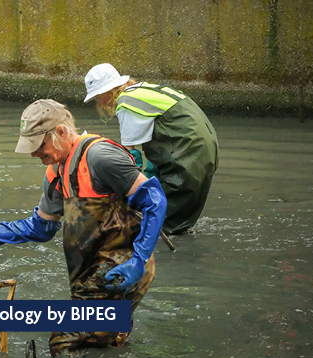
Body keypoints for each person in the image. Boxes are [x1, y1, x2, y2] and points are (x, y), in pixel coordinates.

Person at [0, 99, 166, 354]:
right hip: (89, 275)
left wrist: (138, 261)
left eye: (39, 145)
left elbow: (155, 200)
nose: (34, 153)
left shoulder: (99, 156)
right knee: (101, 342)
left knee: (63, 339)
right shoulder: (55, 171)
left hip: (118, 269)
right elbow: (41, 228)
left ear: (61, 132)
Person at [84, 63, 216, 235]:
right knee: (178, 222)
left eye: (97, 97)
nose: (99, 103)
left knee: (159, 226)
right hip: (206, 146)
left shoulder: (126, 103)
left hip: (188, 151)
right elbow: (159, 150)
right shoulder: (146, 90)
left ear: (106, 93)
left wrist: (127, 192)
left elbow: (128, 158)